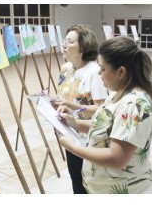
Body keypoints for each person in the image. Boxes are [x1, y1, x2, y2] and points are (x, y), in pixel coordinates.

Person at [57, 36, 152, 194]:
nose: (99, 73)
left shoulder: (134, 104)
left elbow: (117, 158)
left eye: (103, 69)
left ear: (121, 71)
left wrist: (73, 147)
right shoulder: (117, 94)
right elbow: (107, 126)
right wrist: (74, 123)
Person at [50, 25, 108, 194]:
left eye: (70, 42)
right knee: (76, 178)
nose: (64, 45)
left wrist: (73, 107)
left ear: (83, 47)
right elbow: (65, 96)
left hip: (88, 137)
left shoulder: (95, 71)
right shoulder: (66, 68)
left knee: (89, 183)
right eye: (64, 41)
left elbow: (101, 109)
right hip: (68, 131)